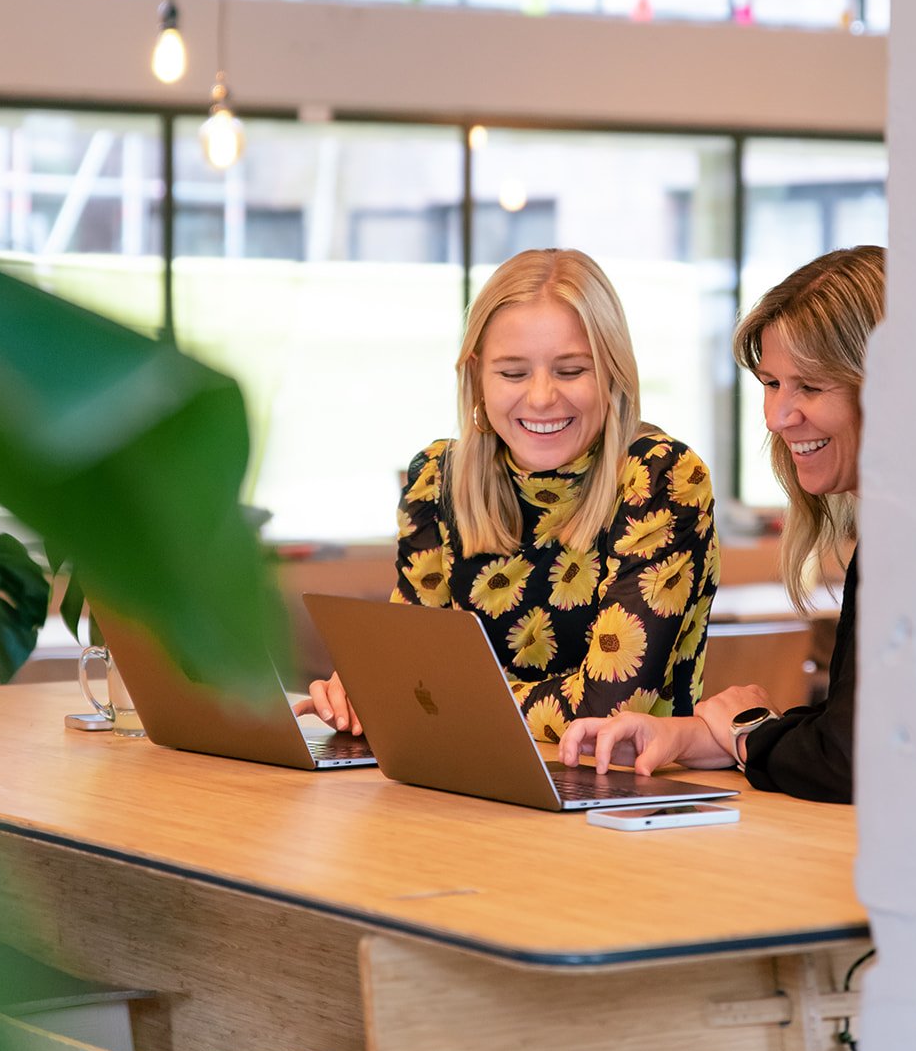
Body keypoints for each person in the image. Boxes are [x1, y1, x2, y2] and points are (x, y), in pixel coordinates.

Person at [300, 247, 719, 741]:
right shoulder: (437, 478)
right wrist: (366, 690)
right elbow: (404, 676)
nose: (541, 397)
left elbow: (606, 713)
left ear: (613, 373)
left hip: (614, 792)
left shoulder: (661, 477)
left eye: (571, 370)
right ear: (477, 376)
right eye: (513, 373)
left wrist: (430, 697)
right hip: (465, 782)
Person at [560, 243, 885, 804]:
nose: (778, 417)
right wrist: (692, 736)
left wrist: (750, 732)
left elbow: (855, 759)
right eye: (771, 383)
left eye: (810, 385)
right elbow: (858, 732)